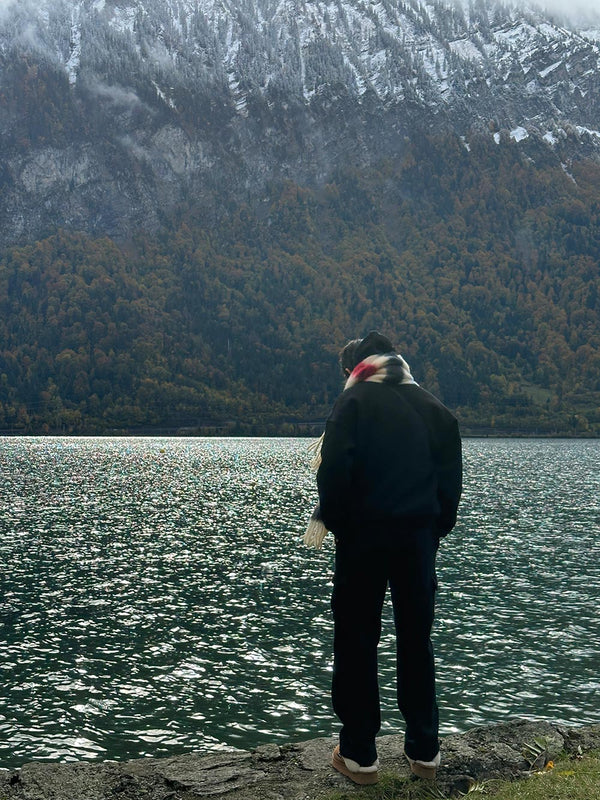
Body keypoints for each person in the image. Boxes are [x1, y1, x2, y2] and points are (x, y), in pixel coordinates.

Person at [314, 331, 462, 786]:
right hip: (417, 540)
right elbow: (449, 491)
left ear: (355, 368)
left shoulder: (353, 402)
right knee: (416, 641)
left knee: (357, 642)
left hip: (363, 541)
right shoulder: (436, 410)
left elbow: (334, 475)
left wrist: (339, 526)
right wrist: (429, 533)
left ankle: (360, 755)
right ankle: (425, 752)